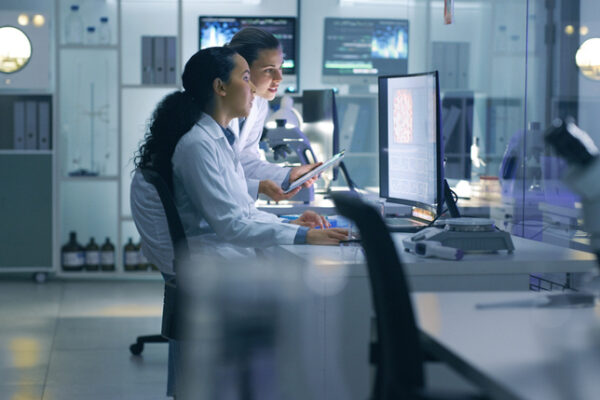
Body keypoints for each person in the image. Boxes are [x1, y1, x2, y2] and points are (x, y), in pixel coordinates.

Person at [132, 46, 348, 262]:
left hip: (227, 254)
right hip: (215, 262)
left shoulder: (219, 139)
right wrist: (304, 235)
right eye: (246, 78)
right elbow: (232, 225)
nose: (253, 88)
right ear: (220, 87)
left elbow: (245, 213)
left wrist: (290, 224)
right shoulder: (197, 144)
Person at [226, 27, 320, 202]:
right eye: (269, 70)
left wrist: (289, 175)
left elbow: (245, 161)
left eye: (280, 67)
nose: (279, 77)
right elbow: (218, 182)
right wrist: (259, 187)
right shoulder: (214, 112)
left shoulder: (259, 103)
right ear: (242, 69)